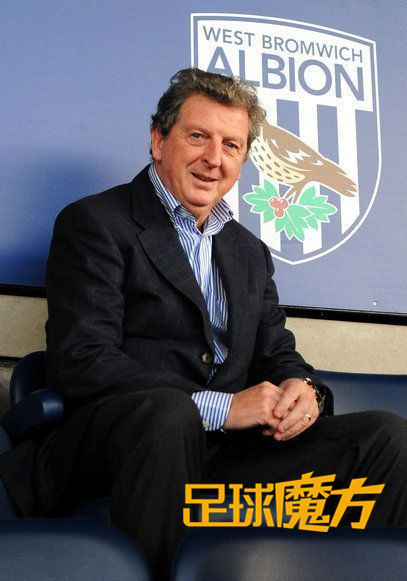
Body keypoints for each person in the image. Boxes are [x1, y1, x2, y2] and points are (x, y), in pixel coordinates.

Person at [1, 68, 406, 580]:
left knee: (386, 438)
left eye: (231, 145)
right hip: (123, 442)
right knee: (169, 414)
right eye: (198, 137)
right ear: (158, 140)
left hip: (226, 455)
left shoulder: (248, 252)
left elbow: (278, 353)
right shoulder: (95, 223)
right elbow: (82, 360)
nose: (214, 159)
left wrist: (302, 391)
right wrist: (223, 407)